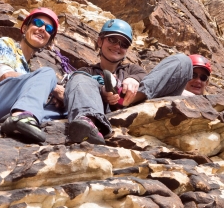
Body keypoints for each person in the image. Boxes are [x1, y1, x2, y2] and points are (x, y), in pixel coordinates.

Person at [64, 19, 193, 145]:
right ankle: (87, 122)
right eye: (112, 39)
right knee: (79, 78)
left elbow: (148, 80)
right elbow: (77, 86)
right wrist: (102, 92)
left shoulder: (133, 70)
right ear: (100, 41)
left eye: (124, 44)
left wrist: (134, 79)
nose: (117, 46)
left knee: (183, 61)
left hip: (136, 104)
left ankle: (124, 98)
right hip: (103, 111)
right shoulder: (86, 71)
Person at [0, 7, 65, 143]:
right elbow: (6, 76)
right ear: (24, 28)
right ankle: (20, 116)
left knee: (62, 109)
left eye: (49, 29)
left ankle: (22, 118)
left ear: (48, 41)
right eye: (38, 23)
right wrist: (53, 87)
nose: (43, 29)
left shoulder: (28, 69)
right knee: (48, 73)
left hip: (3, 112)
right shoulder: (6, 43)